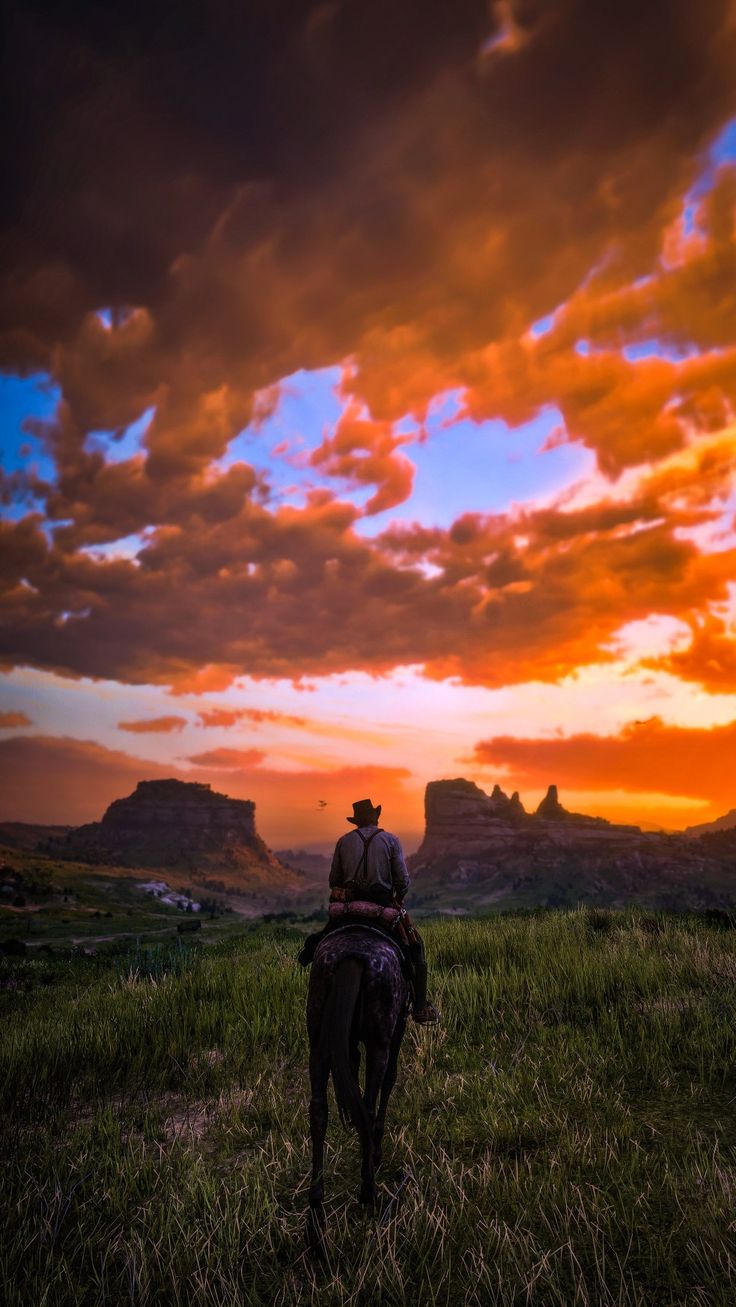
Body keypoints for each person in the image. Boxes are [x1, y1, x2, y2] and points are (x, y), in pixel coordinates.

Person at [299, 797, 440, 1024]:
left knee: (320, 941)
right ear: (376, 816)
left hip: (348, 909)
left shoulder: (343, 842)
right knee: (415, 946)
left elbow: (334, 879)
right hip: (383, 907)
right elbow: (403, 881)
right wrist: (397, 898)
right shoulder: (391, 840)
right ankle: (420, 1008)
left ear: (356, 821)